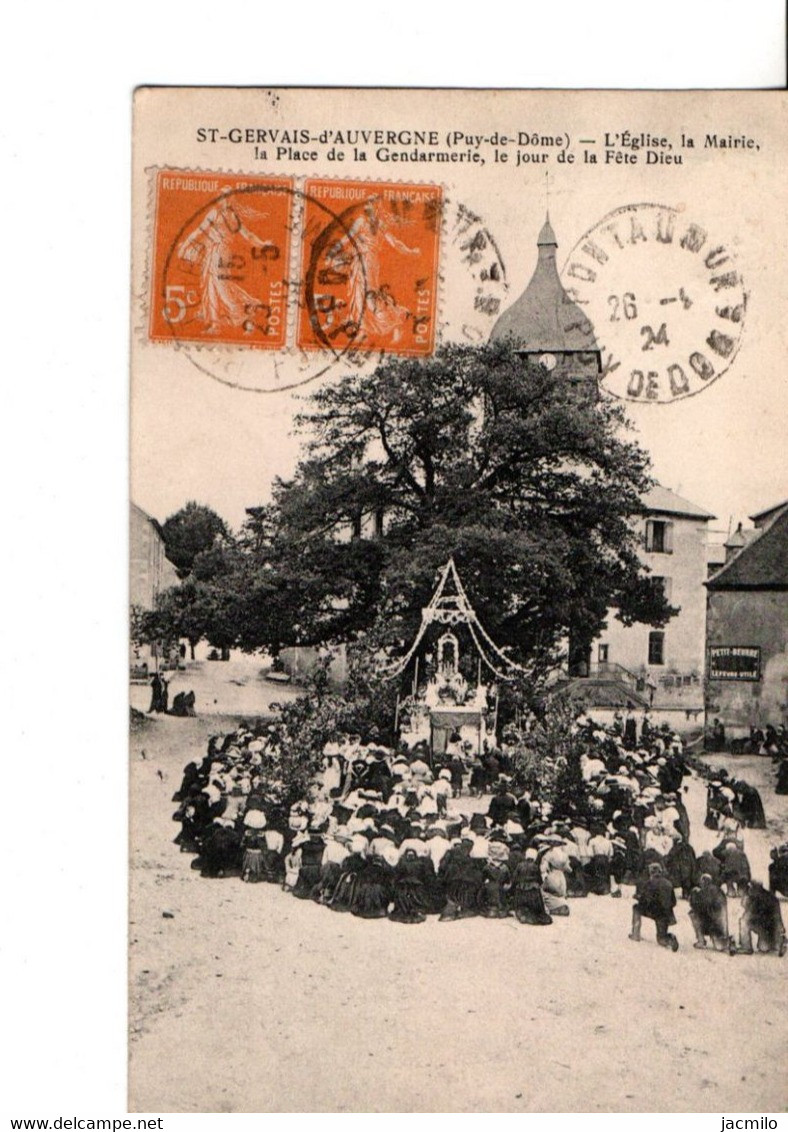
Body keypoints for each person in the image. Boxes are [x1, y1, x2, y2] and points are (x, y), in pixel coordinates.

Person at [630, 862, 679, 950]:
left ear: (651, 872)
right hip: (666, 914)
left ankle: (635, 934)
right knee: (661, 939)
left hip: (654, 911)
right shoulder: (669, 883)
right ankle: (670, 939)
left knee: (636, 908)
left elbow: (645, 901)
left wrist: (638, 897)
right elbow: (674, 902)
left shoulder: (650, 883)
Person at [736, 882, 787, 956]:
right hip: (768, 927)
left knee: (744, 921)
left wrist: (747, 897)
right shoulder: (771, 897)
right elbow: (778, 920)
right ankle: (779, 941)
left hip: (766, 926)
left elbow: (745, 911)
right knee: (763, 948)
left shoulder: (754, 898)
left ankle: (746, 946)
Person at [688, 874, 731, 951]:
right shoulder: (719, 890)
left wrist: (694, 894)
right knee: (720, 945)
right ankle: (724, 941)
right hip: (722, 927)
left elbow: (696, 906)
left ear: (704, 882)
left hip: (711, 924)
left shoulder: (704, 892)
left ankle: (701, 940)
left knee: (693, 914)